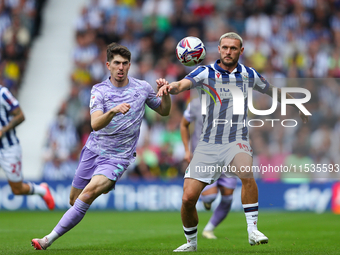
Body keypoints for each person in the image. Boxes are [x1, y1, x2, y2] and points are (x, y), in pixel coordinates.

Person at [157, 32, 308, 252]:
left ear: (241, 51)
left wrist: (297, 105)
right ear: (218, 49)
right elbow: (182, 84)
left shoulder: (249, 74)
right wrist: (169, 87)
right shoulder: (205, 72)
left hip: (236, 139)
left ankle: (253, 230)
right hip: (207, 144)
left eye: (233, 48)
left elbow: (273, 91)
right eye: (225, 47)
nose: (229, 52)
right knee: (188, 198)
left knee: (246, 171)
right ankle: (191, 243)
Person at [31, 43, 171, 250]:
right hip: (93, 151)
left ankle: (47, 240)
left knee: (88, 194)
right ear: (108, 65)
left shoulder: (142, 88)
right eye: (116, 63)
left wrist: (165, 94)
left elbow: (164, 112)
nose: (121, 67)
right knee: (74, 199)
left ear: (130, 65)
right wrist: (113, 111)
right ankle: (105, 183)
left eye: (124, 63)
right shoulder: (99, 91)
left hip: (119, 157)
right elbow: (95, 124)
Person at [180, 97, 237, 240]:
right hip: (204, 157)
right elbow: (183, 124)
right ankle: (207, 201)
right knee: (211, 196)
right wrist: (187, 150)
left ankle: (209, 229)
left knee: (228, 198)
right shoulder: (196, 103)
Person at [0, 85, 55, 210]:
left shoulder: (3, 93)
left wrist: (3, 131)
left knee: (17, 189)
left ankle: (42, 190)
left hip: (9, 148)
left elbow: (20, 116)